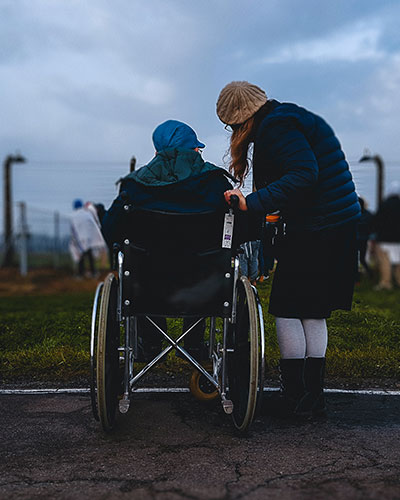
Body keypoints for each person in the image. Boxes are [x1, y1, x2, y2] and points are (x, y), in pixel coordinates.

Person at [216, 81, 361, 419]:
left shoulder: (277, 127)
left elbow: (304, 173)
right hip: (334, 225)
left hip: (317, 227)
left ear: (243, 119)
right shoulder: (289, 117)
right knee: (311, 310)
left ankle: (295, 393)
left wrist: (251, 203)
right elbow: (307, 175)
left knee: (286, 307)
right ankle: (312, 396)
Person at [102, 120, 236, 362]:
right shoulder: (217, 184)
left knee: (142, 269)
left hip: (146, 285)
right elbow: (240, 230)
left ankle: (150, 344)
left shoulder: (134, 186)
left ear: (156, 152)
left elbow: (110, 229)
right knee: (202, 268)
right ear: (195, 151)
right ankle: (194, 345)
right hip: (204, 286)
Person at [372, 181, 400, 290]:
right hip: (399, 239)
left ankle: (386, 283)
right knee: (399, 263)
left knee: (385, 262)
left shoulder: (384, 205)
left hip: (385, 239)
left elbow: (377, 221)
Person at [69, 199, 107, 278]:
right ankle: (93, 272)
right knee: (90, 256)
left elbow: (73, 229)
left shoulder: (73, 216)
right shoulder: (87, 214)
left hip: (80, 239)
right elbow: (94, 224)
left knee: (81, 257)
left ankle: (80, 274)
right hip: (89, 238)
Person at [356, 197, 373, 281]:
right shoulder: (368, 214)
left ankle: (357, 279)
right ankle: (371, 275)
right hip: (364, 240)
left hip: (354, 240)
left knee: (353, 260)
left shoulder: (353, 214)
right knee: (362, 259)